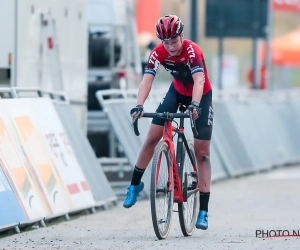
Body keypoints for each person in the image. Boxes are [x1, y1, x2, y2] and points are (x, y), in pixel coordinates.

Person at [123, 14, 213, 230]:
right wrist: (139, 105)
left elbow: (199, 80)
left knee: (202, 153)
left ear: (181, 36)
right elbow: (147, 80)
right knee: (150, 139)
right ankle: (134, 185)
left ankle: (203, 210)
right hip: (176, 93)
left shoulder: (193, 51)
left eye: (174, 41)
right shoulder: (158, 53)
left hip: (200, 96)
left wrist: (195, 105)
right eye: (166, 42)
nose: (171, 47)